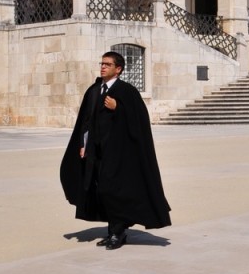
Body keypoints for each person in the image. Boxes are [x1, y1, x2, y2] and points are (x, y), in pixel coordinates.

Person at [60, 51, 171, 249]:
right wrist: (83, 145)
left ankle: (117, 233)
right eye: (102, 63)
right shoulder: (94, 90)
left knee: (113, 190)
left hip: (120, 154)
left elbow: (140, 121)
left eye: (107, 64)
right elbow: (86, 121)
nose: (103, 67)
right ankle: (114, 231)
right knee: (101, 191)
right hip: (97, 151)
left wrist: (118, 107)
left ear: (118, 69)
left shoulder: (126, 91)